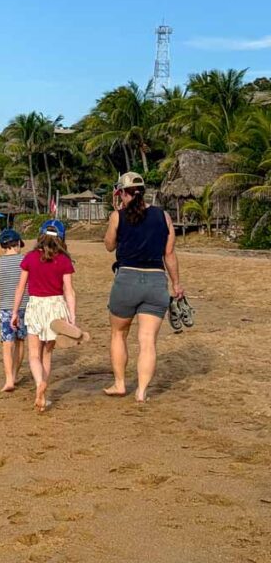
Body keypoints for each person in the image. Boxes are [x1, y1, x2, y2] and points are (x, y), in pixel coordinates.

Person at [103, 171, 184, 403]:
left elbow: (109, 246)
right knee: (147, 341)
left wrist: (115, 215)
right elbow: (169, 254)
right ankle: (141, 391)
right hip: (156, 281)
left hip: (126, 279)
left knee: (119, 334)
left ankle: (120, 384)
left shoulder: (117, 216)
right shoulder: (164, 216)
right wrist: (176, 284)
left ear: (121, 193)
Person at [11, 220, 76, 412]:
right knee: (47, 353)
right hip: (56, 307)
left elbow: (20, 288)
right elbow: (69, 291)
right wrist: (72, 318)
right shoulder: (64, 260)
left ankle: (39, 383)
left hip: (36, 305)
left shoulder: (30, 258)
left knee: (34, 354)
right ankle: (43, 391)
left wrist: (15, 312)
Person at [0, 229, 29, 392]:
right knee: (20, 342)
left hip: (6, 309)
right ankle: (15, 375)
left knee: (7, 344)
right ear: (17, 244)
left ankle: (8, 380)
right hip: (24, 307)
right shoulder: (25, 260)